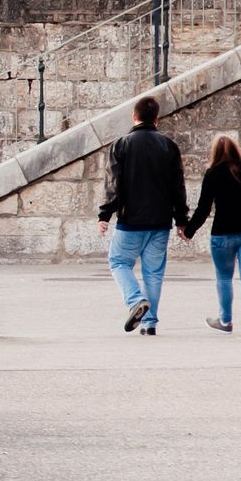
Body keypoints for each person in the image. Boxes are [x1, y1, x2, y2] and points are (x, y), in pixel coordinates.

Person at [97, 94, 188, 336]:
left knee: (118, 262)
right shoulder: (169, 146)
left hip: (131, 220)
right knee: (154, 273)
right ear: (157, 119)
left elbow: (113, 184)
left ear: (134, 116)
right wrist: (181, 220)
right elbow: (178, 186)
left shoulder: (121, 145)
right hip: (160, 221)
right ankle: (150, 323)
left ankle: (135, 300)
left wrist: (104, 214)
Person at [181, 134, 241, 336]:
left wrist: (189, 231)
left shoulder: (212, 173)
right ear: (236, 149)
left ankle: (225, 321)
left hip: (222, 235)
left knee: (224, 278)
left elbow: (203, 209)